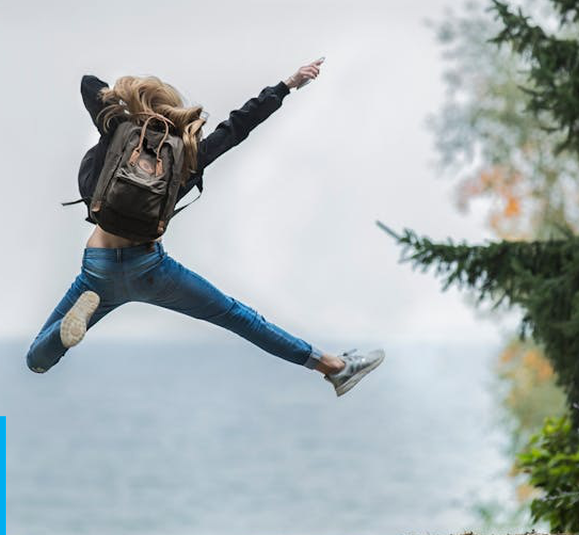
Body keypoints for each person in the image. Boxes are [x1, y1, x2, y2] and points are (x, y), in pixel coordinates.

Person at [25, 58, 385, 397]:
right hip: (150, 269)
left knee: (36, 360)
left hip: (98, 268)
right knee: (238, 317)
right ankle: (333, 367)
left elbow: (90, 84)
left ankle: (65, 333)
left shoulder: (118, 131)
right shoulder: (188, 154)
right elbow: (238, 126)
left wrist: (128, 105)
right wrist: (287, 85)